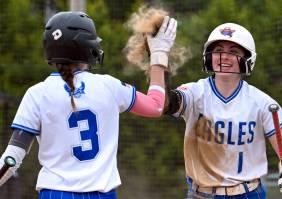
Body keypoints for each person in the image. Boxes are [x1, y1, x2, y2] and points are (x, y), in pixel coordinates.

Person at [0, 11, 177, 199]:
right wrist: (158, 57)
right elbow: (156, 106)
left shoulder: (37, 93)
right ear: (86, 47)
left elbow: (12, 159)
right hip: (102, 194)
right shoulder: (109, 86)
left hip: (56, 194)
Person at [164, 22, 282, 199]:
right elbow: (165, 104)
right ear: (208, 56)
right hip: (200, 195)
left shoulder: (261, 102)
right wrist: (159, 61)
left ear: (248, 59)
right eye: (218, 50)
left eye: (233, 52)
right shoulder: (194, 93)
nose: (224, 57)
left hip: (249, 194)